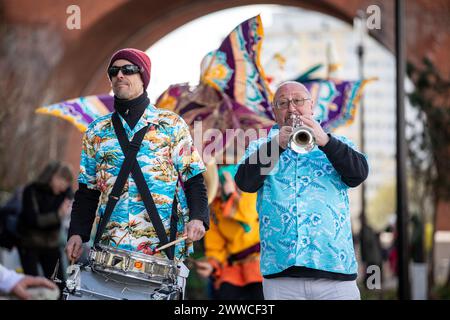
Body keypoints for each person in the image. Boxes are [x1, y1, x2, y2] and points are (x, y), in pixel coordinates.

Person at [65, 49, 209, 294]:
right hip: (109, 247)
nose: (119, 75)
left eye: (128, 69)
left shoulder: (171, 125)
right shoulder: (96, 130)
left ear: (144, 77)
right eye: (114, 71)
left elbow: (194, 178)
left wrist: (198, 217)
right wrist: (77, 233)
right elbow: (87, 191)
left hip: (161, 247)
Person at [234, 81, 369, 300]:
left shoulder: (338, 143)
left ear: (312, 105)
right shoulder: (261, 147)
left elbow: (358, 174)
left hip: (336, 275)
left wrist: (324, 140)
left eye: (298, 101)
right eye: (283, 103)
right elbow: (246, 182)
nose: (292, 108)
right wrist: (278, 144)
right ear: (275, 111)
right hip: (281, 277)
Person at [196, 161, 263, 300]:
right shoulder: (213, 209)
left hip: (260, 263)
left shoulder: (247, 189)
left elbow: (248, 218)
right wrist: (211, 265)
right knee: (225, 293)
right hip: (234, 269)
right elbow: (215, 246)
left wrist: (232, 195)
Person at [16, 161, 73, 281]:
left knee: (56, 281)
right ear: (53, 177)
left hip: (51, 244)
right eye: (61, 181)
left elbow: (70, 194)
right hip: (30, 242)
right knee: (32, 280)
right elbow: (33, 220)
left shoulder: (63, 194)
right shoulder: (31, 190)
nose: (63, 187)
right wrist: (58, 215)